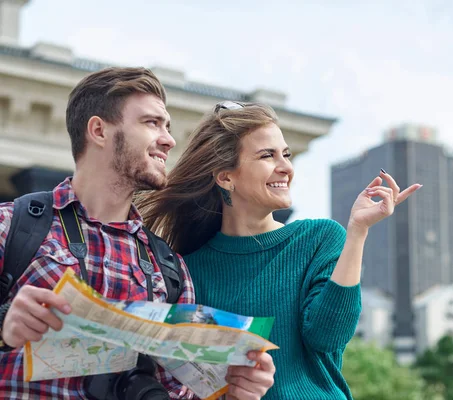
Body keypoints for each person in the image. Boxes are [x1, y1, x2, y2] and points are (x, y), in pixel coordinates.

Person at [0, 68, 275, 399]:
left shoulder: (170, 270)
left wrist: (232, 393)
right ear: (99, 131)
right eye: (152, 123)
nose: (169, 139)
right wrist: (3, 325)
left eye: (168, 127)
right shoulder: (11, 227)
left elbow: (181, 393)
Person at [137, 101, 422, 399]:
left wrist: (358, 231)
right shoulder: (189, 270)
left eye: (286, 154)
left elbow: (328, 337)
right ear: (225, 177)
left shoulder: (320, 238)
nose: (286, 167)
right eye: (267, 155)